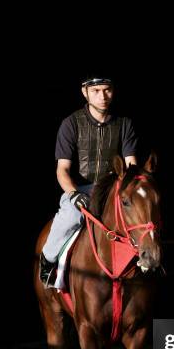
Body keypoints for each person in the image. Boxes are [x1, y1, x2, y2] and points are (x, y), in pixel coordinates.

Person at [39, 75, 138, 287]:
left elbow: (131, 164)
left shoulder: (124, 124)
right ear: (85, 92)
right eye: (96, 91)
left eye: (107, 90)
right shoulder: (71, 123)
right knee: (69, 218)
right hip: (80, 189)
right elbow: (62, 169)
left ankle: (149, 261)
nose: (102, 96)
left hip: (113, 190)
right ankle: (48, 262)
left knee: (139, 215)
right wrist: (74, 194)